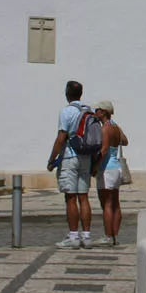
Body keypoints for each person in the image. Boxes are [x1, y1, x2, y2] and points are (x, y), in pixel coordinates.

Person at [47, 80, 94, 249]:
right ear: (81, 94)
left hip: (69, 157)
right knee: (84, 197)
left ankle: (73, 236)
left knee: (71, 197)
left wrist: (52, 159)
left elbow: (61, 137)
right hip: (86, 157)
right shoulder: (89, 110)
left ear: (67, 94)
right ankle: (87, 236)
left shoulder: (66, 111)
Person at [92, 100, 128, 247]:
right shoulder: (115, 126)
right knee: (115, 203)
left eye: (97, 110)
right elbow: (125, 141)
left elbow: (104, 149)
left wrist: (95, 166)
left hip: (106, 168)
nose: (95, 113)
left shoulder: (105, 128)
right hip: (117, 168)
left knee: (106, 203)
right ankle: (114, 235)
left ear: (103, 112)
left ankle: (107, 236)